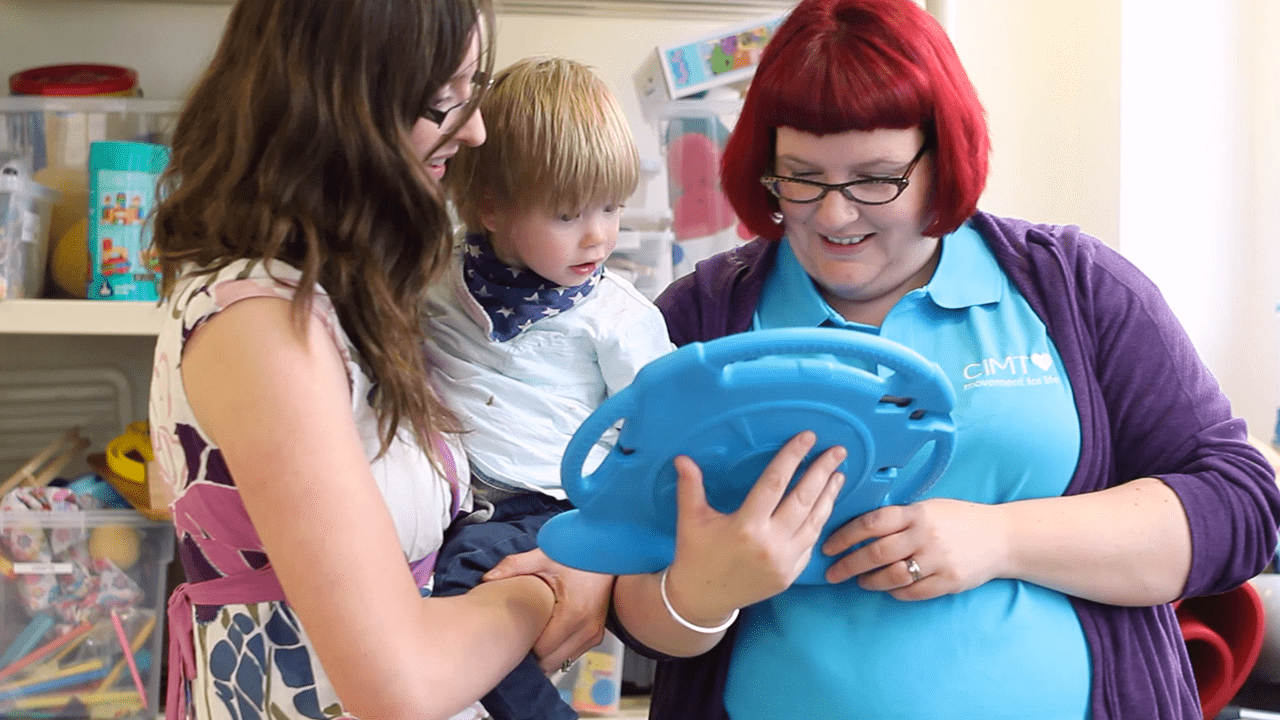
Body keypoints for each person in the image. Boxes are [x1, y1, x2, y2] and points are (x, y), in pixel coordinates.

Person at [601, 0, 1280, 718]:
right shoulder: (699, 319)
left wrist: (1001, 538)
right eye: (801, 176)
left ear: (943, 155)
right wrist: (704, 592)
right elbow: (617, 583)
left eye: (875, 179)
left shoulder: (1077, 290)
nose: (834, 217)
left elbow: (1237, 506)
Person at [146, 2, 570, 719]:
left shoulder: (340, 299)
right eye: (444, 101)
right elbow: (396, 685)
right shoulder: (261, 325)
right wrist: (548, 589)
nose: (475, 129)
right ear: (343, 107)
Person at [423, 56, 673, 720]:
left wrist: (615, 529)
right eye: (567, 213)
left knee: (461, 594)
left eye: (612, 207)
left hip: (552, 509)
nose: (598, 235)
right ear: (491, 209)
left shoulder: (617, 317)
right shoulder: (436, 282)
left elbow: (667, 429)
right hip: (458, 503)